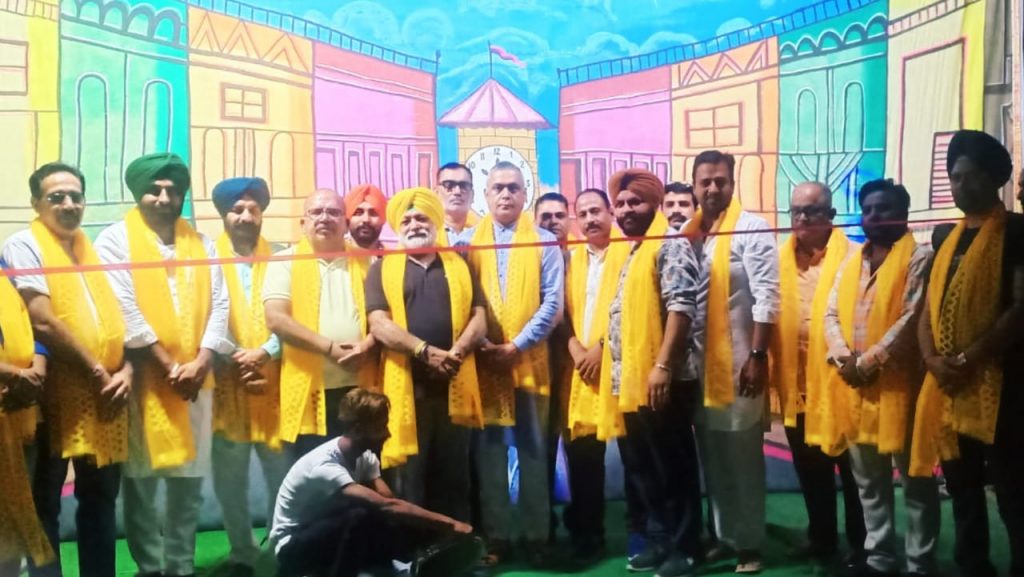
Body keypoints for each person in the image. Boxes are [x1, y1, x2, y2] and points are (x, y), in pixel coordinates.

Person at [95, 152, 231, 577]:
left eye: (173, 190)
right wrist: (171, 367)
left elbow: (221, 304)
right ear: (139, 193)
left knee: (188, 482)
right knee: (142, 482)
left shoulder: (203, 244)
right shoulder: (114, 241)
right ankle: (151, 568)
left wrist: (203, 360)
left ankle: (181, 566)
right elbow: (123, 306)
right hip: (143, 380)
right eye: (154, 189)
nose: (164, 197)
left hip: (196, 381)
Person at [2, 162, 129, 577]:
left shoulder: (90, 248)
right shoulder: (24, 244)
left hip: (107, 393)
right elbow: (41, 320)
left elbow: (117, 321)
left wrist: (124, 371)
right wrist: (97, 371)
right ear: (36, 203)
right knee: (46, 502)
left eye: (76, 196)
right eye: (56, 197)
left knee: (101, 499)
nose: (68, 204)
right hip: (55, 394)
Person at [911, 130, 1024, 577]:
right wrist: (932, 360)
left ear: (994, 179)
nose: (961, 186)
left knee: (1013, 488)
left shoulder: (1017, 231)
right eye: (955, 177)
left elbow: (1020, 309)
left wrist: (969, 359)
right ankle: (973, 566)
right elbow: (928, 309)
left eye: (971, 176)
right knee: (962, 486)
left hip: (1004, 383)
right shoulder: (944, 237)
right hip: (949, 385)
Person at [819, 179, 939, 577]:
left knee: (915, 480)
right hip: (856, 387)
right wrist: (844, 359)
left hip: (902, 387)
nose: (874, 216)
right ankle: (880, 558)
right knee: (869, 482)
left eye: (883, 208)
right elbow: (830, 314)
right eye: (868, 209)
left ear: (902, 214)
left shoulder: (919, 258)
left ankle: (920, 563)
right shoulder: (852, 262)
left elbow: (911, 318)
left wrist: (866, 363)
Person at [457, 160, 564, 567]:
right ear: (485, 195)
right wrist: (486, 346)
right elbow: (460, 301)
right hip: (483, 367)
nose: (506, 194)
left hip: (530, 365)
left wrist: (515, 346)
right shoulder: (466, 243)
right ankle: (497, 537)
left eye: (514, 188)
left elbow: (552, 304)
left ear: (525, 194)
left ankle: (536, 536)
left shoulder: (544, 242)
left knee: (535, 455)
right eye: (498, 187)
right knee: (489, 458)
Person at [599, 169, 702, 577]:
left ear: (654, 204)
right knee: (644, 469)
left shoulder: (670, 243)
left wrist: (661, 366)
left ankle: (686, 549)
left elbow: (681, 308)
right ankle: (660, 543)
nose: (626, 210)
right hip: (631, 380)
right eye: (620, 204)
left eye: (635, 202)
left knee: (672, 467)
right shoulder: (633, 250)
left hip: (664, 380)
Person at [365, 187, 487, 522]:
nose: (414, 225)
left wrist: (456, 353)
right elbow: (379, 324)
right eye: (406, 220)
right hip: (407, 392)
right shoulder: (381, 269)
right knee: (410, 480)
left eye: (421, 218)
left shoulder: (459, 265)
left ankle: (457, 546)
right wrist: (424, 351)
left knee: (455, 478)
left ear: (435, 221)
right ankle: (414, 549)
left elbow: (479, 317)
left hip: (454, 387)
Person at [683, 150, 779, 574]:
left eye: (720, 180)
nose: (712, 188)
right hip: (699, 369)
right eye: (705, 181)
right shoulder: (688, 234)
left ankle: (749, 543)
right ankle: (724, 536)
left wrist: (758, 355)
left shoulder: (751, 228)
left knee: (742, 458)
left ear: (732, 183)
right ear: (694, 186)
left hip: (741, 364)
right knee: (713, 458)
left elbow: (768, 297)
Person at [270, 388, 481, 577]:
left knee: (385, 515)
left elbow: (389, 501)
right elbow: (388, 506)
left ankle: (408, 565)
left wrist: (424, 532)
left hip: (327, 538)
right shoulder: (325, 465)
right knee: (359, 515)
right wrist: (451, 524)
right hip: (293, 549)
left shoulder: (365, 456)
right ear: (357, 430)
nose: (387, 434)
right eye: (380, 427)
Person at [769, 182, 866, 566]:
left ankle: (861, 545)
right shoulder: (777, 260)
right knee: (811, 470)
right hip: (797, 385)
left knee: (853, 472)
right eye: (796, 210)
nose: (802, 218)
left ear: (831, 215)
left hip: (842, 384)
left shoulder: (854, 258)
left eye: (811, 210)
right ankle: (822, 539)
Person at [208, 177, 290, 577]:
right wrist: (232, 354)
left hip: (275, 384)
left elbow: (294, 314)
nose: (244, 216)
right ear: (223, 215)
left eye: (252, 209)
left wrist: (265, 353)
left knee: (282, 478)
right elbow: (199, 313)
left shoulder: (282, 259)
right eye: (236, 210)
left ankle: (278, 549)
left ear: (261, 214)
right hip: (225, 385)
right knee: (230, 480)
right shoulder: (206, 261)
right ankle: (241, 552)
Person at [264, 190, 377, 453]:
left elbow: (385, 316)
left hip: (359, 386)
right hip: (308, 389)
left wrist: (368, 345)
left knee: (362, 467)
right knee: (314, 469)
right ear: (303, 224)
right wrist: (330, 348)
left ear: (346, 223)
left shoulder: (368, 261)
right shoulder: (284, 261)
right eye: (316, 212)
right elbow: (276, 318)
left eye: (333, 212)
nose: (324, 218)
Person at [561, 187, 622, 564]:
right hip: (579, 371)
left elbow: (630, 309)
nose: (590, 219)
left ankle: (645, 533)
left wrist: (601, 347)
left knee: (636, 456)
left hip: (620, 368)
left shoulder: (628, 253)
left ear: (611, 213)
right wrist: (577, 349)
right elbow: (562, 313)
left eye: (596, 211)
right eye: (582, 214)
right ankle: (588, 535)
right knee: (583, 458)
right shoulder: (571, 260)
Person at [0, 257, 52, 577]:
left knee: (18, 509)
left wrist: (37, 370)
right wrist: (15, 375)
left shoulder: (3, 266)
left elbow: (31, 325)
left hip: (20, 410)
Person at [435, 162, 479, 237]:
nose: (457, 192)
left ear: (472, 195)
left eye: (464, 186)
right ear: (436, 193)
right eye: (449, 185)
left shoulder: (486, 233)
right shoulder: (426, 234)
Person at [345, 184, 387, 254]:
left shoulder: (394, 258)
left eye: (373, 213)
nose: (366, 219)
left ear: (383, 220)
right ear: (348, 219)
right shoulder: (334, 256)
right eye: (358, 213)